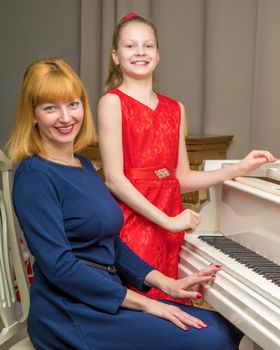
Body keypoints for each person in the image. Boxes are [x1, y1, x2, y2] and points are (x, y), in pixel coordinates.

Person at [7, 57, 244, 350]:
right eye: (50, 108)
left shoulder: (81, 164)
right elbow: (60, 267)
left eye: (73, 103)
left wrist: (165, 283)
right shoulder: (34, 175)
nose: (66, 117)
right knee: (214, 339)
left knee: (229, 327)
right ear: (32, 115)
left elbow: (111, 244)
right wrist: (145, 303)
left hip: (104, 296)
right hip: (70, 312)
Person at [97, 12, 277, 302]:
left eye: (148, 45)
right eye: (130, 46)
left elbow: (181, 177)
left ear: (158, 54)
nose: (140, 52)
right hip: (134, 222)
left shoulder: (175, 109)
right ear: (116, 56)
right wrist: (168, 221)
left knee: (171, 306)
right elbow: (115, 179)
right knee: (145, 303)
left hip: (171, 223)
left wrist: (239, 168)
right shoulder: (112, 102)